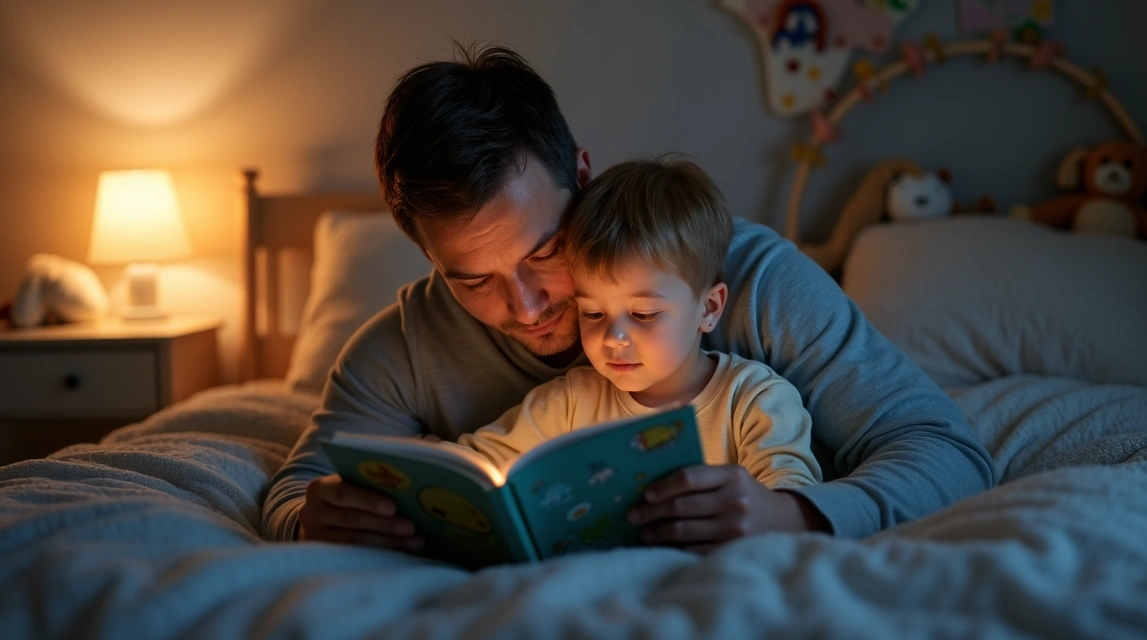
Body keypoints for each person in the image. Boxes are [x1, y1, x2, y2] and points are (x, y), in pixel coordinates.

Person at [262, 43, 995, 553]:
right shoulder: (401, 346)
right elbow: (294, 489)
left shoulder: (753, 278)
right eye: (473, 279)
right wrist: (312, 517)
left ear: (582, 172)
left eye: (543, 250)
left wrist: (796, 512)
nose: (525, 306)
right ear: (426, 254)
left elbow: (948, 450)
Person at [454, 157, 823, 537]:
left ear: (708, 308)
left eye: (644, 314)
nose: (614, 337)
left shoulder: (753, 401)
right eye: (593, 313)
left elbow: (791, 500)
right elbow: (472, 464)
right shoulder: (568, 404)